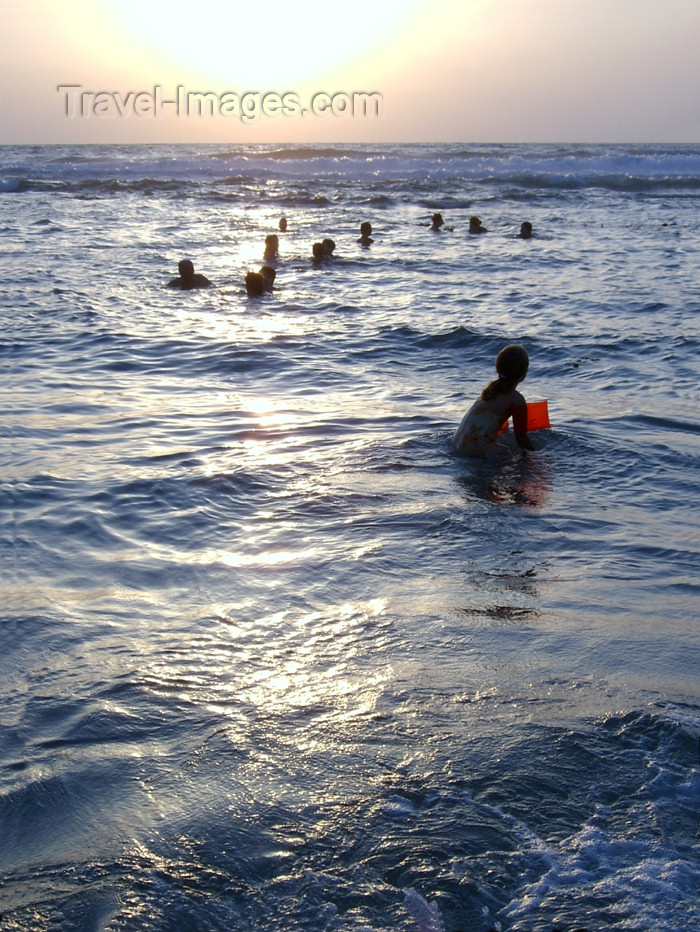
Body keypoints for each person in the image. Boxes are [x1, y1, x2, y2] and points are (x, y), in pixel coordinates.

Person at [454, 344, 534, 457]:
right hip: (476, 448)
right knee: (508, 453)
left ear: (497, 369)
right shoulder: (516, 399)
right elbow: (521, 437)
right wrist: (533, 454)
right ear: (524, 374)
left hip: (459, 442)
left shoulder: (489, 391)